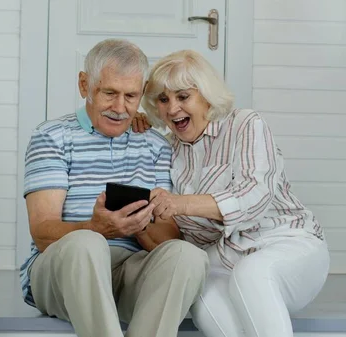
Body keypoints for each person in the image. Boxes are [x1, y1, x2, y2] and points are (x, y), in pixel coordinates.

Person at [19, 39, 208, 337]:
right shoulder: (52, 138)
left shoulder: (155, 145)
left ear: (142, 92)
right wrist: (96, 227)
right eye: (109, 93)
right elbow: (42, 233)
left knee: (188, 256)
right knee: (87, 243)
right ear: (85, 85)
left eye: (131, 96)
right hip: (62, 270)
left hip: (128, 270)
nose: (120, 108)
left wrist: (136, 226)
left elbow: (168, 238)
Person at [140, 50, 331, 337]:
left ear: (205, 95)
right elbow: (184, 235)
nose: (171, 108)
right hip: (222, 260)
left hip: (286, 242)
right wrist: (132, 125)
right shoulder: (167, 150)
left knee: (251, 275)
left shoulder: (245, 124)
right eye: (163, 100)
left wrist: (180, 204)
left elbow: (254, 196)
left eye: (182, 96)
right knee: (201, 297)